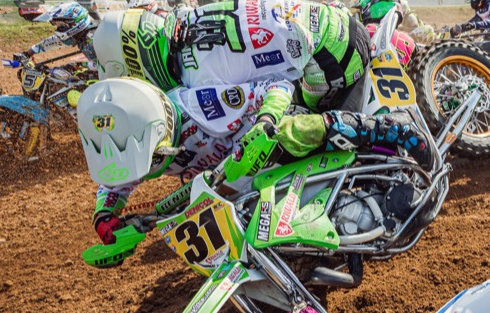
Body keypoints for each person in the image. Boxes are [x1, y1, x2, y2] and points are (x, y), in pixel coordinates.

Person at [78, 77, 431, 254]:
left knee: (290, 131)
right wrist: (104, 216)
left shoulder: (201, 104)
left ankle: (385, 128)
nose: (147, 171)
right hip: (231, 176)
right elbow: (114, 183)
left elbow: (275, 86)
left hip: (267, 140)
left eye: (152, 160)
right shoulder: (134, 137)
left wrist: (264, 122)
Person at [92, 0, 372, 114]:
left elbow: (270, 95)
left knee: (296, 127)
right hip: (340, 23)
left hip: (335, 59)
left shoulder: (195, 79)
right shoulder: (187, 16)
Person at [20, 1, 98, 69]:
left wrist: (78, 66)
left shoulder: (92, 40)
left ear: (73, 23)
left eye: (61, 24)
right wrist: (30, 52)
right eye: (57, 24)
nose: (59, 27)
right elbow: (56, 41)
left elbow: (102, 67)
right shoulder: (81, 35)